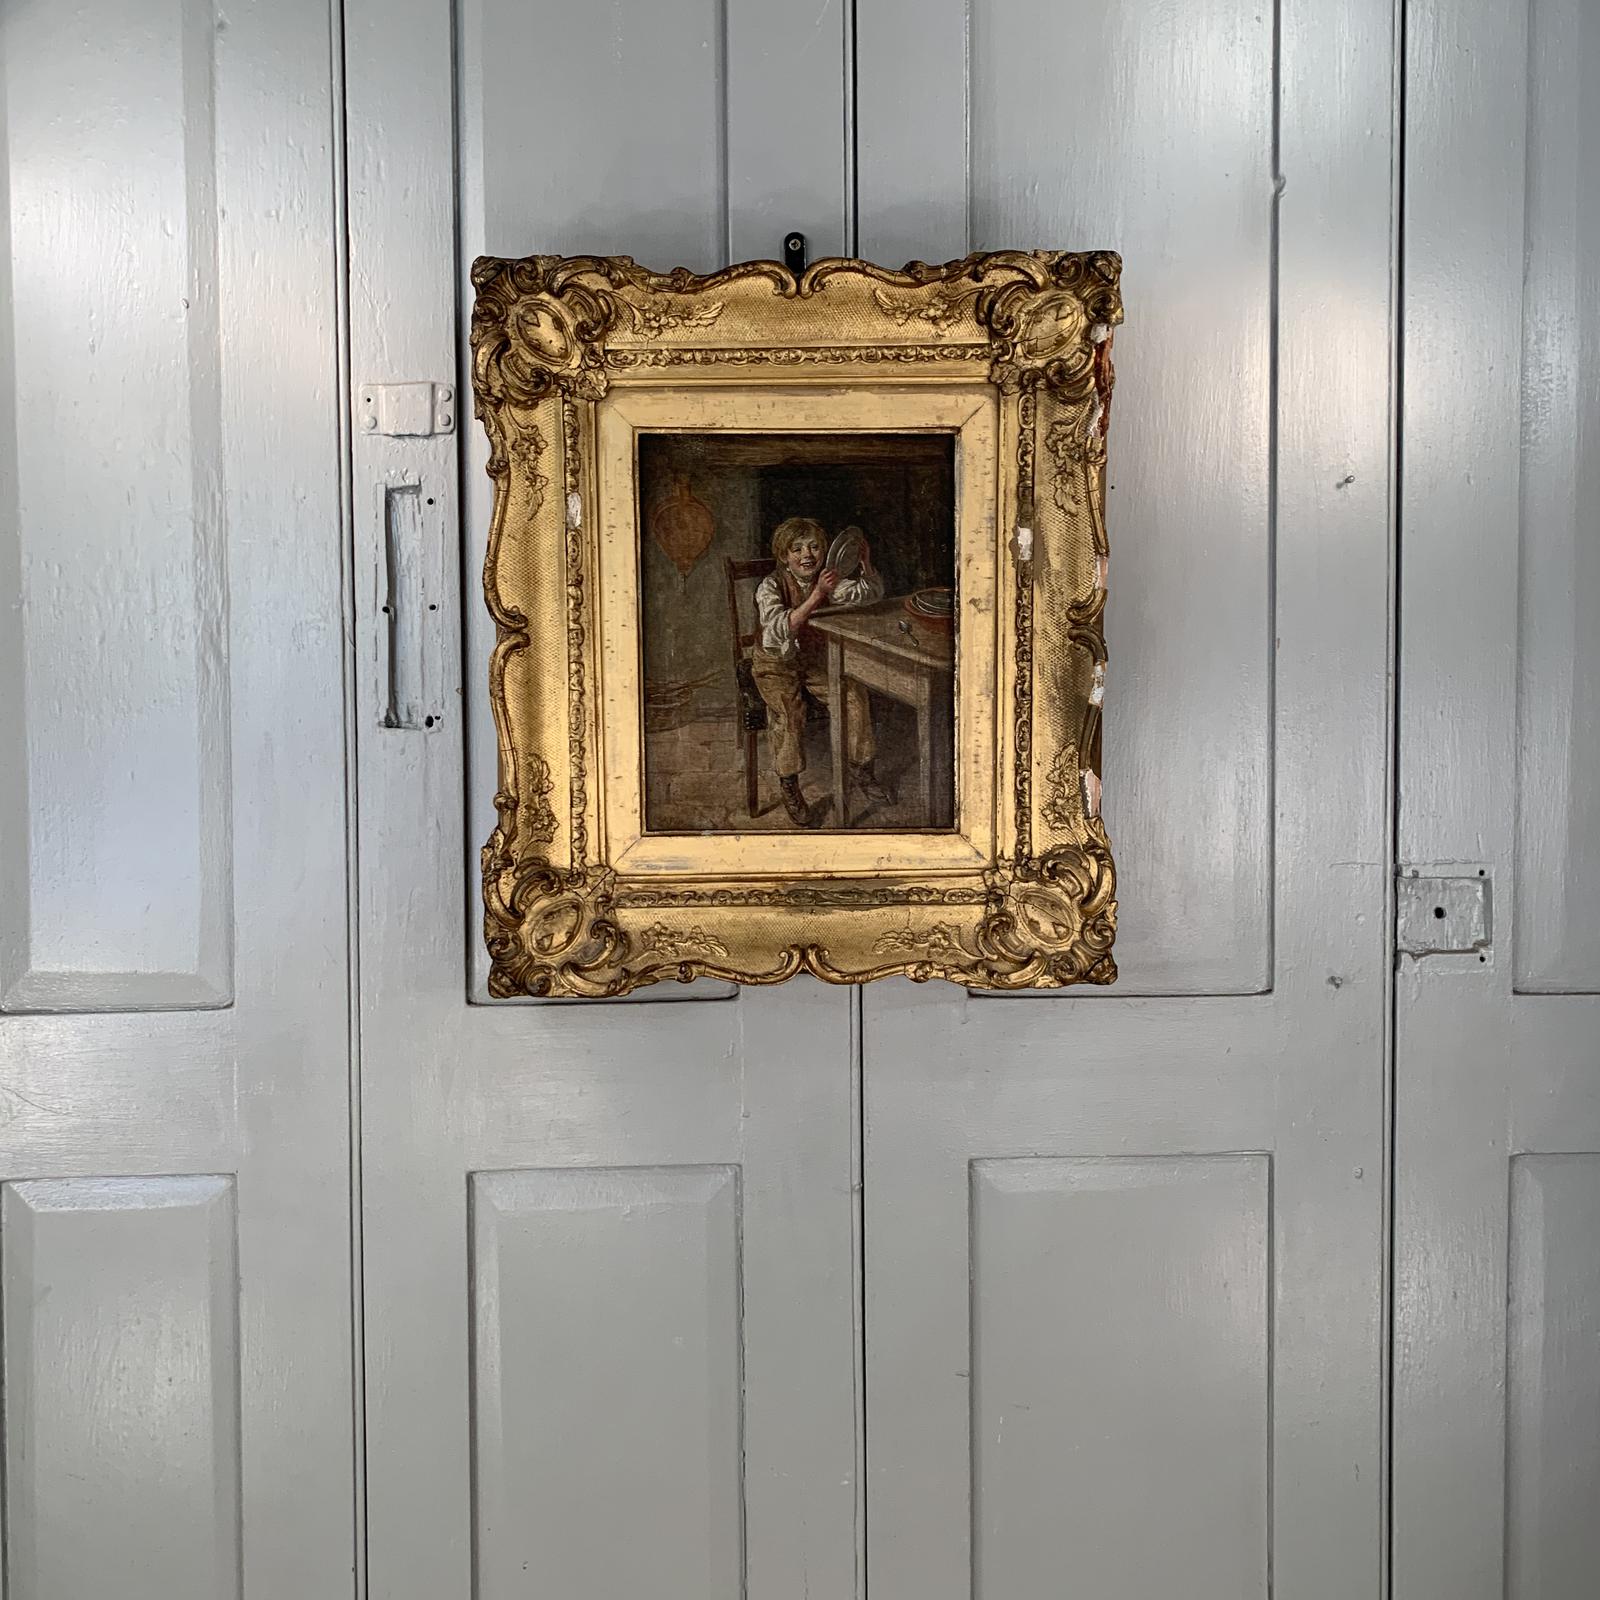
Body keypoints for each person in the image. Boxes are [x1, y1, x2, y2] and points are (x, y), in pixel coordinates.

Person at [751, 516, 889, 827]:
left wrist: (865, 562)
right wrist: (816, 596)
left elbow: (869, 593)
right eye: (797, 549)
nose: (807, 555)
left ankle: (860, 768)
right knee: (789, 713)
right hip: (774, 665)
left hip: (811, 662)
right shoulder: (770, 586)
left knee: (854, 695)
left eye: (814, 547)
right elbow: (778, 629)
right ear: (785, 556)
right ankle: (789, 784)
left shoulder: (828, 580)